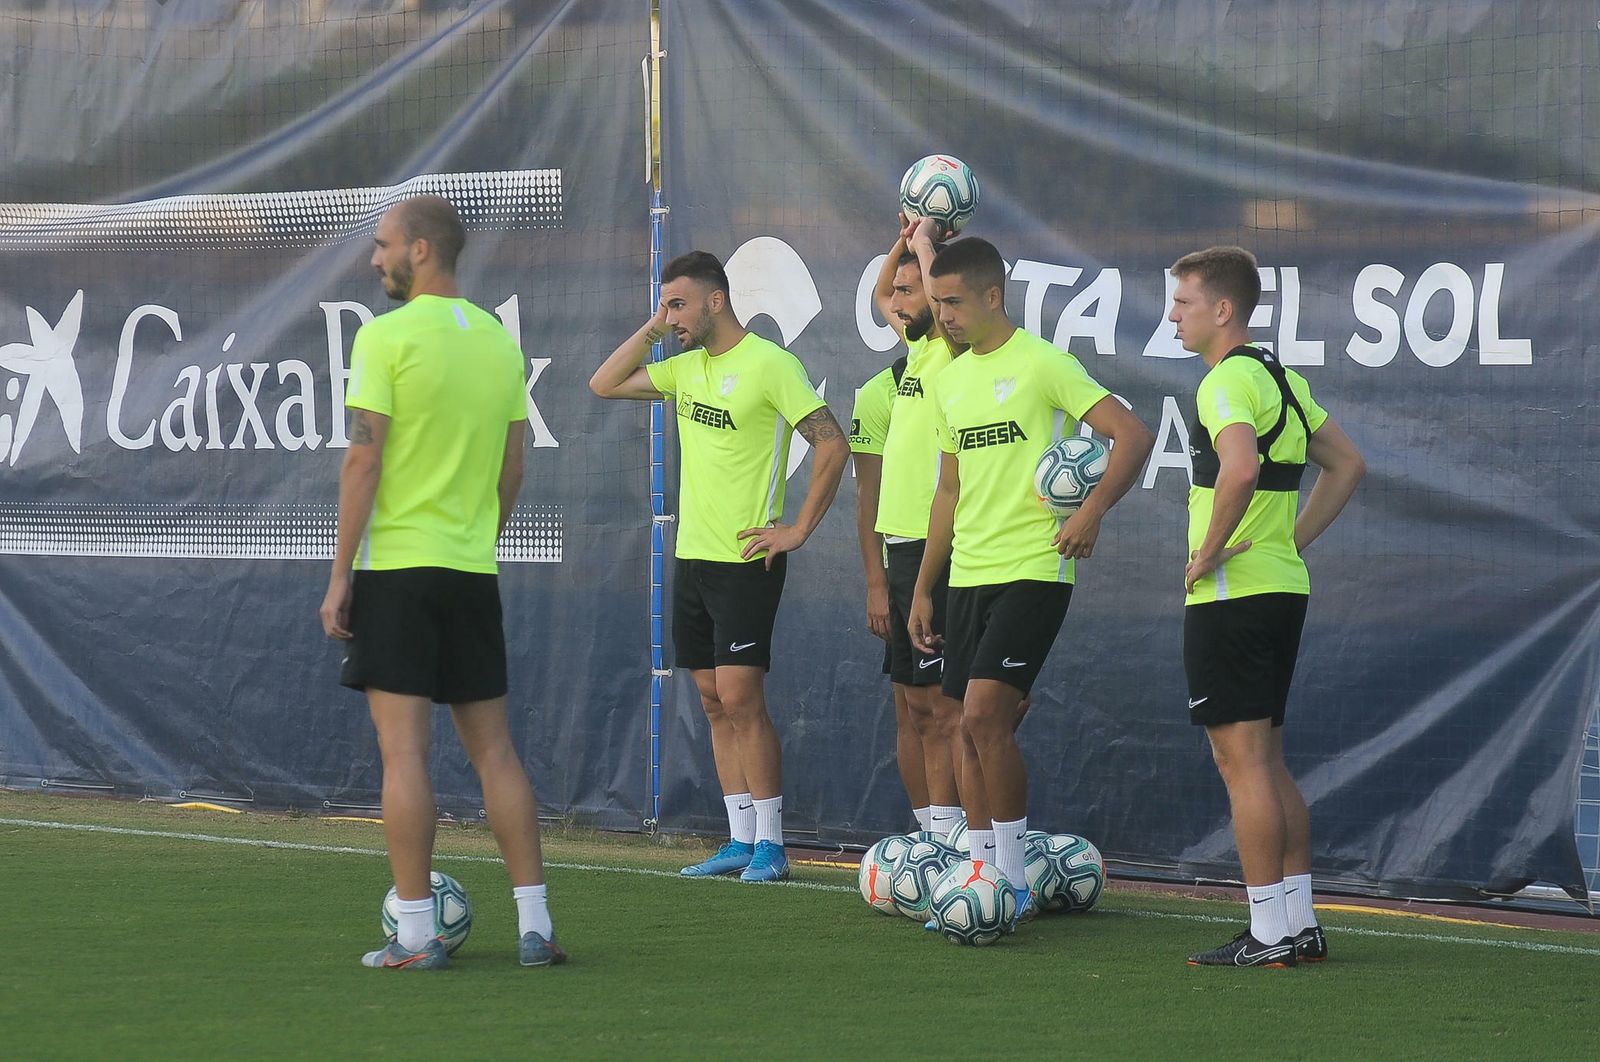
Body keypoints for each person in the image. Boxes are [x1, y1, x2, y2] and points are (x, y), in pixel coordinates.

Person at [320, 194, 564, 970]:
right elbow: (514, 465)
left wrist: (339, 577)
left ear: (422, 250)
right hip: (469, 570)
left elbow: (364, 459)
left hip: (397, 569)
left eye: (384, 245)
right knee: (496, 753)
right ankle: (536, 929)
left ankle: (417, 933)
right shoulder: (498, 341)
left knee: (405, 757)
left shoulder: (386, 336)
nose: (375, 259)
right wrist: (476, 543)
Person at [909, 236, 1153, 923]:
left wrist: (1093, 511)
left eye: (955, 302)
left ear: (994, 296)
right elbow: (948, 493)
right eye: (938, 304)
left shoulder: (1045, 364)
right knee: (961, 726)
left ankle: (1009, 884)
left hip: (1035, 567)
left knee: (985, 716)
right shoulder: (949, 381)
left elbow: (1130, 435)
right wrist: (927, 586)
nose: (946, 315)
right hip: (968, 574)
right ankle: (982, 875)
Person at [590, 250, 849, 883]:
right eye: (664, 305)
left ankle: (772, 843)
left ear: (716, 300)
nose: (669, 316)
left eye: (677, 304)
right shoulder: (684, 370)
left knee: (740, 696)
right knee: (710, 700)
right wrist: (653, 329)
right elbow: (603, 383)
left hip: (745, 560)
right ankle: (738, 838)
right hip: (693, 558)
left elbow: (832, 443)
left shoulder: (770, 364)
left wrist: (797, 530)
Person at [1168, 245, 1365, 968]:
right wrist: (1289, 540)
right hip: (1280, 586)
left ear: (1223, 311)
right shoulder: (1277, 375)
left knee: (1240, 762)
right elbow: (1349, 465)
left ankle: (1269, 934)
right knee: (1267, 759)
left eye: (1183, 303)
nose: (1172, 315)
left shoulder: (1224, 382)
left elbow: (1242, 468)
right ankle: (1298, 923)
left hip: (1234, 595)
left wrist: (1209, 551)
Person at [849, 215, 967, 839]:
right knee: (913, 706)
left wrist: (925, 245)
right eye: (898, 292)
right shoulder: (912, 355)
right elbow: (877, 295)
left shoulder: (952, 349)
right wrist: (903, 236)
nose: (897, 302)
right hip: (898, 551)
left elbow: (925, 296)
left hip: (939, 550)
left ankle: (951, 840)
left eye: (912, 290)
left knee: (944, 710)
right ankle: (930, 835)